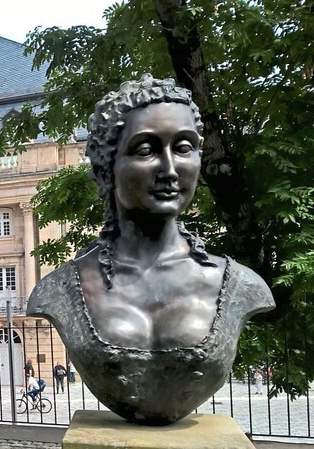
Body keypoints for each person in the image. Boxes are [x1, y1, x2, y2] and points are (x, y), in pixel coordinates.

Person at [26, 74, 275, 425]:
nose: (170, 170)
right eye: (146, 150)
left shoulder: (241, 285)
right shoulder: (60, 290)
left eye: (184, 147)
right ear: (104, 171)